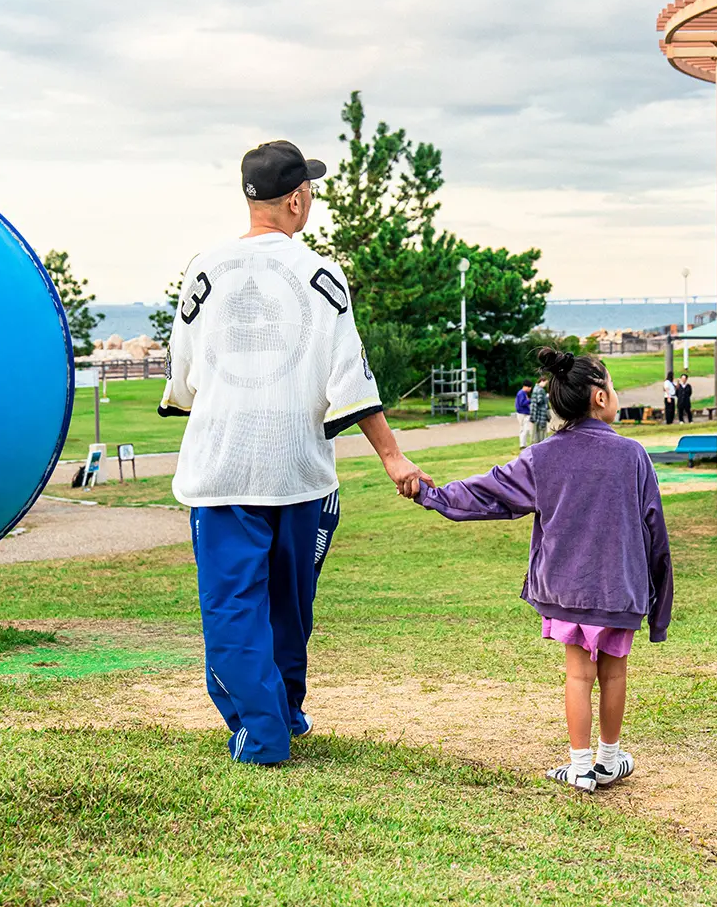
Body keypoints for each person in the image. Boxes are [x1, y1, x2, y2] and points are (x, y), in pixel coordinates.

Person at [160, 139, 432, 766]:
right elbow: (350, 375)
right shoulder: (320, 271)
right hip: (297, 466)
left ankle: (264, 723)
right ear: (296, 199)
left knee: (233, 604)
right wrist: (392, 456)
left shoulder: (203, 269)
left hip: (223, 465)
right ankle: (279, 716)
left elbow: (185, 374)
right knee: (289, 599)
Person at [414, 347, 673, 792]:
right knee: (614, 673)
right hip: (618, 589)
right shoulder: (633, 456)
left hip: (566, 590)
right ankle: (609, 760)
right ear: (597, 397)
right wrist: (658, 604)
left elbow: (487, 493)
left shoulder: (542, 457)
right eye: (611, 386)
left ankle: (579, 766)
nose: (614, 393)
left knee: (578, 674)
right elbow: (656, 532)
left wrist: (430, 494)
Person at [530, 379, 551, 444]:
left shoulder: (535, 389)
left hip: (535, 414)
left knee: (536, 432)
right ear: (541, 381)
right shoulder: (540, 390)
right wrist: (547, 397)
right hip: (541, 413)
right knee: (542, 432)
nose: (545, 384)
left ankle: (535, 444)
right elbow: (539, 401)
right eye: (545, 382)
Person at [515, 381, 534, 448]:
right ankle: (522, 444)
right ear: (526, 386)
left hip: (524, 413)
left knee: (525, 428)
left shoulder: (524, 393)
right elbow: (522, 403)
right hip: (522, 413)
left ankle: (524, 443)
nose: (530, 389)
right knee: (524, 429)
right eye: (530, 388)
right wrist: (530, 400)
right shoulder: (521, 393)